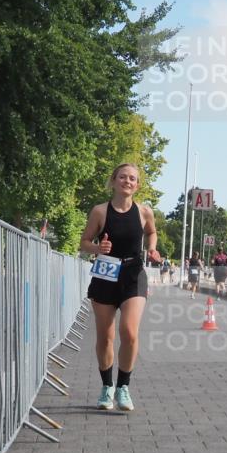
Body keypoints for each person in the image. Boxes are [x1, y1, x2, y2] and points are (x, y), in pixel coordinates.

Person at [79, 163, 161, 412]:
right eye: (123, 177)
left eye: (132, 178)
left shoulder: (144, 212)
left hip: (133, 274)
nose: (127, 181)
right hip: (106, 274)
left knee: (130, 332)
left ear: (137, 185)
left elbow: (152, 232)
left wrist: (152, 248)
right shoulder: (100, 212)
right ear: (114, 181)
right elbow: (84, 242)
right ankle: (107, 387)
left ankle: (123, 387)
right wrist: (97, 248)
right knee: (105, 337)